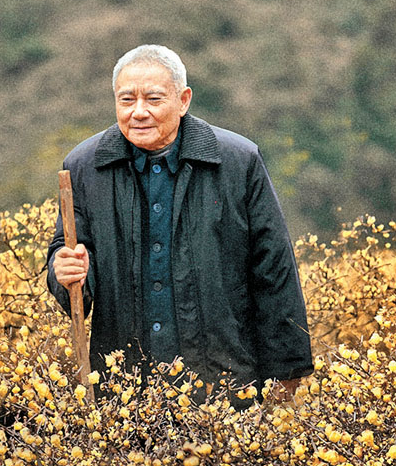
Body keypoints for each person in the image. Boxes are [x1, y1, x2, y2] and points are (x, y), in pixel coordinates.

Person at [47, 45, 313, 402]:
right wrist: (63, 271)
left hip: (223, 384)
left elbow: (274, 267)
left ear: (184, 99)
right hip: (123, 393)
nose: (139, 112)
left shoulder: (237, 161)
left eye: (153, 99)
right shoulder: (83, 166)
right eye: (127, 100)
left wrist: (286, 371)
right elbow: (69, 259)